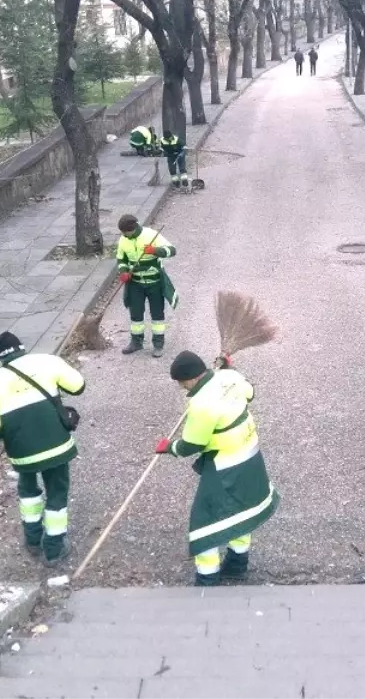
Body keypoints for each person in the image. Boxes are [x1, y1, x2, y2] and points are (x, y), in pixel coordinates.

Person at [155, 352, 279, 586]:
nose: (182, 388)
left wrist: (168, 447)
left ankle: (207, 578)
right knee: (242, 510)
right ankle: (237, 565)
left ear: (191, 379)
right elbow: (250, 393)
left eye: (181, 383)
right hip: (250, 453)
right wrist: (230, 369)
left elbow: (192, 445)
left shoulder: (201, 405)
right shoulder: (229, 376)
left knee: (206, 521)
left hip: (226, 465)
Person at [0, 332, 86, 565]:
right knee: (57, 492)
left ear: (0, 358)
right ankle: (54, 548)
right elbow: (78, 386)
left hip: (22, 452)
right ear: (23, 348)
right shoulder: (48, 361)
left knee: (28, 491)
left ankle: (32, 538)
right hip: (56, 446)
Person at [116, 215, 178, 357]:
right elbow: (121, 259)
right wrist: (123, 271)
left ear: (132, 229)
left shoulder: (150, 235)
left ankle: (158, 344)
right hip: (135, 284)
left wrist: (155, 251)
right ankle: (136, 342)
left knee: (157, 314)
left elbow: (172, 250)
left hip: (154, 283)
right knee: (135, 313)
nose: (123, 235)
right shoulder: (123, 240)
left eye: (125, 232)